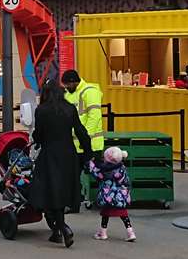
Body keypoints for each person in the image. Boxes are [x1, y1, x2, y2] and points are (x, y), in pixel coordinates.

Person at [29, 80, 92, 248]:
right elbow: (80, 131)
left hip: (50, 154)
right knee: (61, 190)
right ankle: (56, 230)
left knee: (48, 189)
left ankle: (63, 228)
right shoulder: (69, 109)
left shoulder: (42, 110)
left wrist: (36, 140)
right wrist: (88, 153)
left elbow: (39, 134)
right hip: (68, 154)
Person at [89, 146, 136, 241]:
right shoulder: (122, 169)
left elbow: (97, 175)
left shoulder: (103, 170)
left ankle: (103, 233)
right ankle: (131, 233)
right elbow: (126, 181)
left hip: (107, 197)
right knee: (124, 215)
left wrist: (90, 164)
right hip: (120, 197)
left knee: (105, 214)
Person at [61, 69, 106, 158]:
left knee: (91, 171)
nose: (66, 87)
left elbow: (94, 117)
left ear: (73, 82)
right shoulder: (68, 95)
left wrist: (85, 138)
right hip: (74, 146)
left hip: (91, 145)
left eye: (67, 84)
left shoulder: (90, 92)